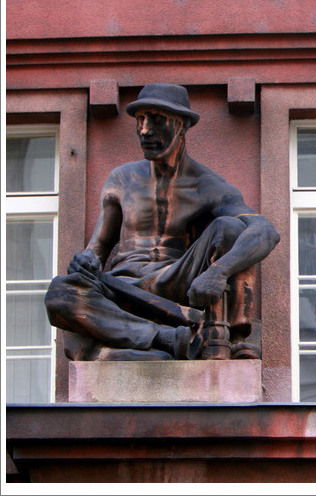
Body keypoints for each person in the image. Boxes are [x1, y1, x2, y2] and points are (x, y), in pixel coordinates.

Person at [45, 83, 279, 360]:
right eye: (140, 121)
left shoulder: (207, 185)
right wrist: (84, 262)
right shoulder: (122, 179)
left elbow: (265, 231)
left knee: (231, 228)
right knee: (61, 293)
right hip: (122, 286)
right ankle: (166, 338)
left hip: (177, 279)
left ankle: (235, 336)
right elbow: (97, 249)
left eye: (156, 120)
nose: (144, 130)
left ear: (182, 125)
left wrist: (219, 272)